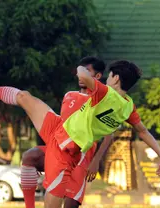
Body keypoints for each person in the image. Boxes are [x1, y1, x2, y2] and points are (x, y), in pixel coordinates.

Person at [0, 59, 160, 208]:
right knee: (24, 97)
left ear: (115, 78)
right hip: (59, 127)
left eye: (109, 75)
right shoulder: (128, 106)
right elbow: (142, 131)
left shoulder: (106, 94)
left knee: (53, 203)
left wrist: (82, 69)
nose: (106, 78)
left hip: (64, 148)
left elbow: (82, 76)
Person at [19, 57, 114, 208]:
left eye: (86, 71)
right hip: (60, 153)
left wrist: (96, 162)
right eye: (80, 71)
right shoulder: (69, 95)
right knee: (31, 156)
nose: (81, 74)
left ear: (96, 76)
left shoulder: (100, 101)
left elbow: (110, 135)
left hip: (81, 158)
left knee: (70, 205)